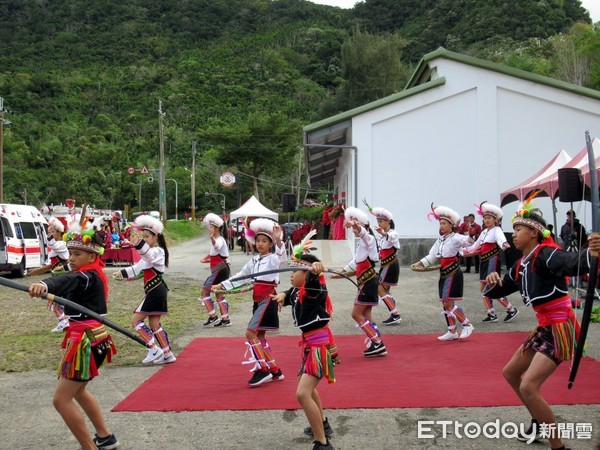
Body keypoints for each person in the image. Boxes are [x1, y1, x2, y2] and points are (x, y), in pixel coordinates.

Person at [484, 198, 600, 450]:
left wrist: (591, 251)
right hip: (544, 325)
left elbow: (572, 262)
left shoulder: (547, 255)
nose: (513, 234)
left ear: (533, 233)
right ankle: (537, 419)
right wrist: (493, 281)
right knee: (510, 373)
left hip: (559, 326)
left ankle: (558, 447)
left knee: (529, 385)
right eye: (513, 229)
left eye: (518, 230)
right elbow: (501, 288)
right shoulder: (521, 264)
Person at [27, 220, 119, 450]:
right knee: (77, 392)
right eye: (70, 253)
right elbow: (67, 283)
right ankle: (105, 437)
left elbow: (67, 280)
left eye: (77, 254)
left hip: (86, 342)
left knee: (61, 400)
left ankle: (89, 447)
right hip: (92, 339)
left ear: (92, 257)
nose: (71, 258)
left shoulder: (87, 277)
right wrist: (48, 289)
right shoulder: (90, 277)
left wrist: (44, 285)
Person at [273, 244, 336, 450]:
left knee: (302, 393)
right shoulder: (297, 292)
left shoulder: (312, 290)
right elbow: (291, 291)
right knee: (306, 386)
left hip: (319, 348)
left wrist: (316, 269)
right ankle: (323, 425)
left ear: (307, 274)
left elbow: (314, 286)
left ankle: (322, 443)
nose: (291, 276)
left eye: (294, 272)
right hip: (309, 347)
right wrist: (282, 294)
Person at [213, 218, 287, 386]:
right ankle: (274, 370)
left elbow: (282, 258)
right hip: (258, 300)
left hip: (268, 299)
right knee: (259, 336)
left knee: (250, 333)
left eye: (264, 241)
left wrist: (278, 240)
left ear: (270, 244)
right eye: (258, 241)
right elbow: (241, 276)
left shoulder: (273, 259)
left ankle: (263, 369)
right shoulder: (253, 261)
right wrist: (222, 285)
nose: (260, 244)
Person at [113, 215, 176, 365]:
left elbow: (147, 254)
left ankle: (154, 348)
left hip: (155, 290)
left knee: (136, 321)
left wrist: (139, 243)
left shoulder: (158, 252)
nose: (145, 239)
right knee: (154, 325)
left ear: (156, 237)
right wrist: (121, 273)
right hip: (154, 290)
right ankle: (167, 354)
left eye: (147, 237)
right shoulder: (152, 253)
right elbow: (138, 268)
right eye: (144, 237)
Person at [411, 204, 475, 341]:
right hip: (444, 273)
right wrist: (419, 263)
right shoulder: (440, 240)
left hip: (453, 272)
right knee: (445, 302)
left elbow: (468, 242)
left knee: (447, 303)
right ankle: (452, 331)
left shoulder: (456, 237)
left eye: (444, 223)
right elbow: (432, 256)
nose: (441, 226)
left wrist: (470, 234)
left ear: (451, 225)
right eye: (440, 223)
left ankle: (467, 324)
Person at [333, 207, 387, 357]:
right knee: (367, 314)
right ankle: (376, 341)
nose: (354, 230)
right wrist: (342, 272)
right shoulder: (363, 242)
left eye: (355, 226)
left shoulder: (368, 238)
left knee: (356, 314)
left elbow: (365, 237)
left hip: (368, 281)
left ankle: (377, 342)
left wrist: (359, 228)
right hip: (365, 281)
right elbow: (356, 261)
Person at [463, 202, 519, 323]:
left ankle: (510, 309)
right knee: (484, 289)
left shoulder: (497, 230)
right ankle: (492, 313)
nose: (486, 220)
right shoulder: (484, 232)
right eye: (485, 218)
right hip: (484, 261)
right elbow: (475, 247)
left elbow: (501, 239)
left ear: (495, 220)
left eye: (489, 218)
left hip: (492, 260)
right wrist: (462, 251)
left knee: (491, 288)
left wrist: (504, 244)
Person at [199, 213, 231, 327]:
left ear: (216, 228)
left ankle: (213, 317)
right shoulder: (219, 239)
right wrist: (207, 258)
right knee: (219, 294)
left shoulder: (219, 240)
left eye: (212, 226)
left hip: (220, 270)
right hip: (220, 269)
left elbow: (217, 246)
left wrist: (212, 238)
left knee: (204, 292)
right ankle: (225, 318)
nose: (210, 228)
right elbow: (215, 254)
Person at [371, 206, 402, 325]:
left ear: (388, 222)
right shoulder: (381, 235)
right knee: (385, 290)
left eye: (381, 222)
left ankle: (395, 314)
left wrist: (383, 233)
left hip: (391, 264)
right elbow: (380, 251)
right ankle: (394, 314)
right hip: (385, 264)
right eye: (378, 221)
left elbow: (391, 238)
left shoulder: (393, 233)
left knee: (380, 288)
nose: (379, 224)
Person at [45, 218, 71, 332]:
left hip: (62, 277)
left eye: (53, 232)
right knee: (55, 301)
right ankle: (64, 321)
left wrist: (49, 235)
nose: (51, 234)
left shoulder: (62, 244)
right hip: (57, 277)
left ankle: (64, 322)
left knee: (55, 302)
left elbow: (53, 245)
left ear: (59, 232)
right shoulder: (58, 244)